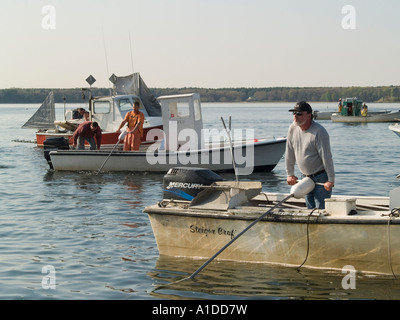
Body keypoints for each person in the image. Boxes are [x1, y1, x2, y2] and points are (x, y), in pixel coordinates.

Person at [285, 101, 335, 209]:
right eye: (294, 113)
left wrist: (330, 180)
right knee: (309, 210)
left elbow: (326, 157)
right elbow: (289, 152)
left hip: (321, 178)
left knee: (321, 211)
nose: (295, 116)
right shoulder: (292, 129)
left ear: (309, 115)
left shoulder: (320, 132)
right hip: (305, 177)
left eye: (299, 114)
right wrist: (290, 174)